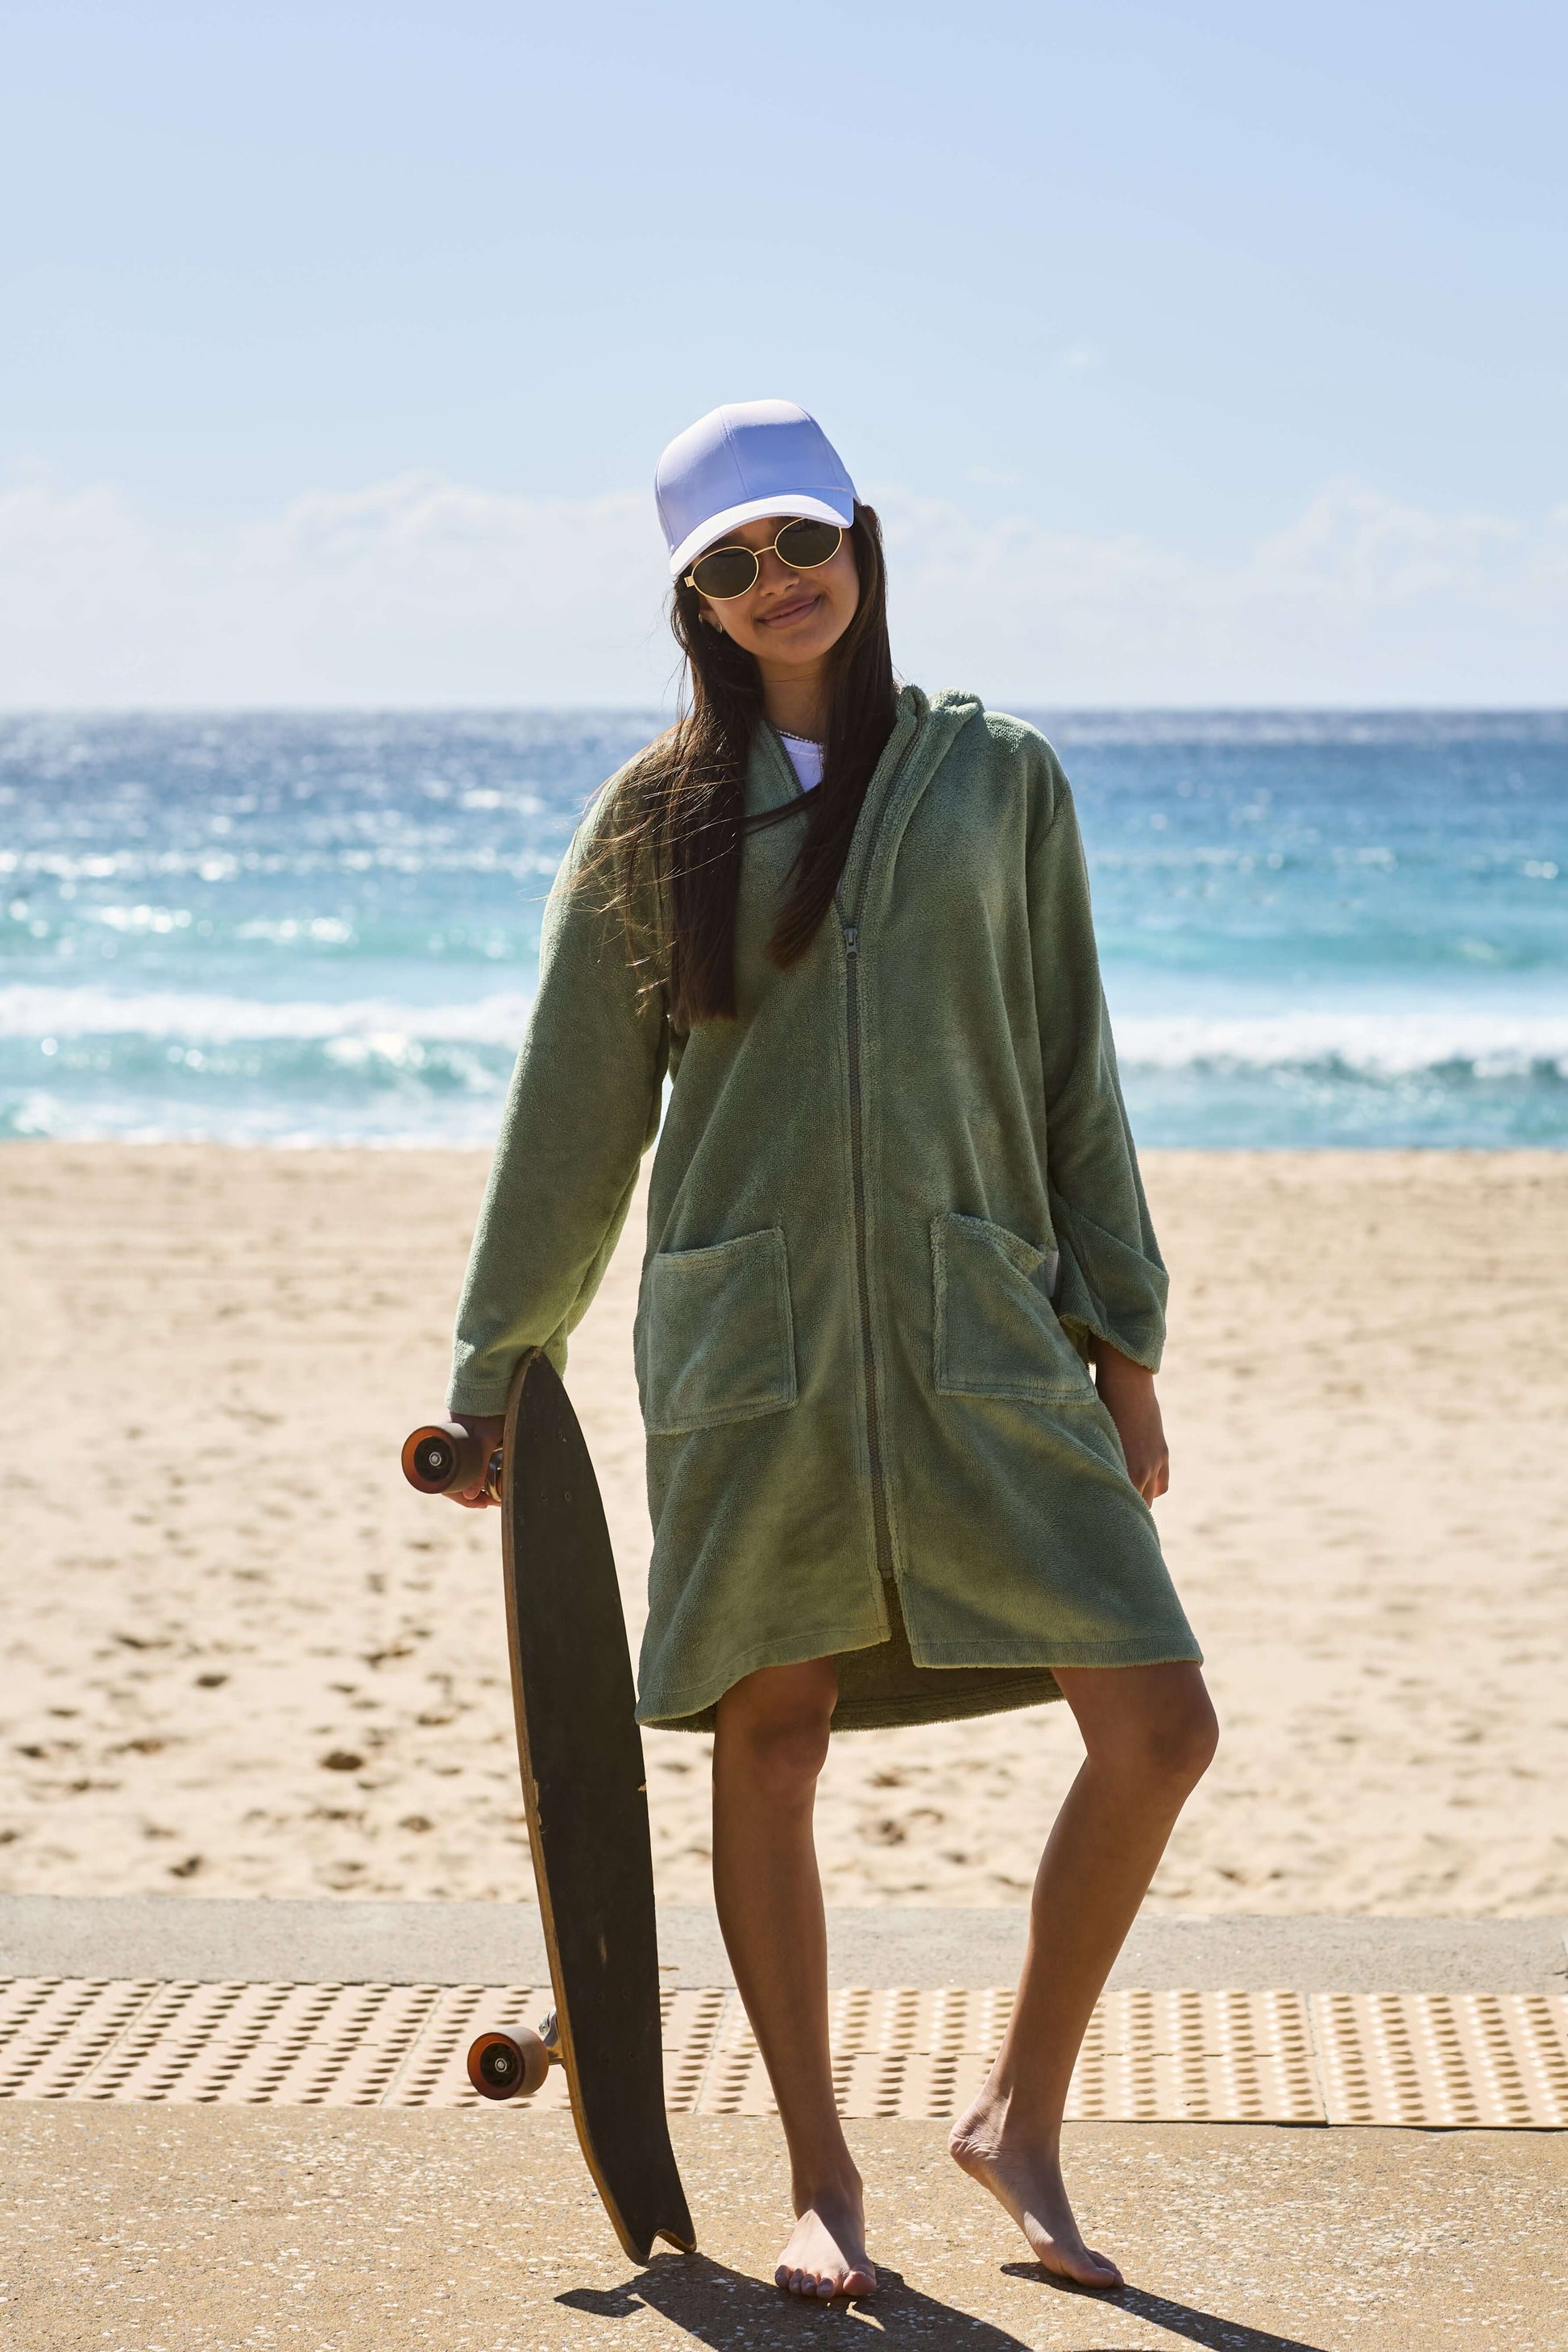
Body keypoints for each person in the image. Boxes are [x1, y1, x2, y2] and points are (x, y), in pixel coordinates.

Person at [435, 400, 1217, 2300]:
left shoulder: (995, 777)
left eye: (798, 542)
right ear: (691, 603)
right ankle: (819, 2174)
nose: (774, 584)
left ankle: (1013, 2118)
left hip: (981, 1322)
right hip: (752, 1331)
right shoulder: (660, 813)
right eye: (727, 567)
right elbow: (577, 1107)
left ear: (859, 537)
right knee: (767, 1731)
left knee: (1159, 1721)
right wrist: (494, 1371)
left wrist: (1121, 1334)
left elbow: (1069, 1063)